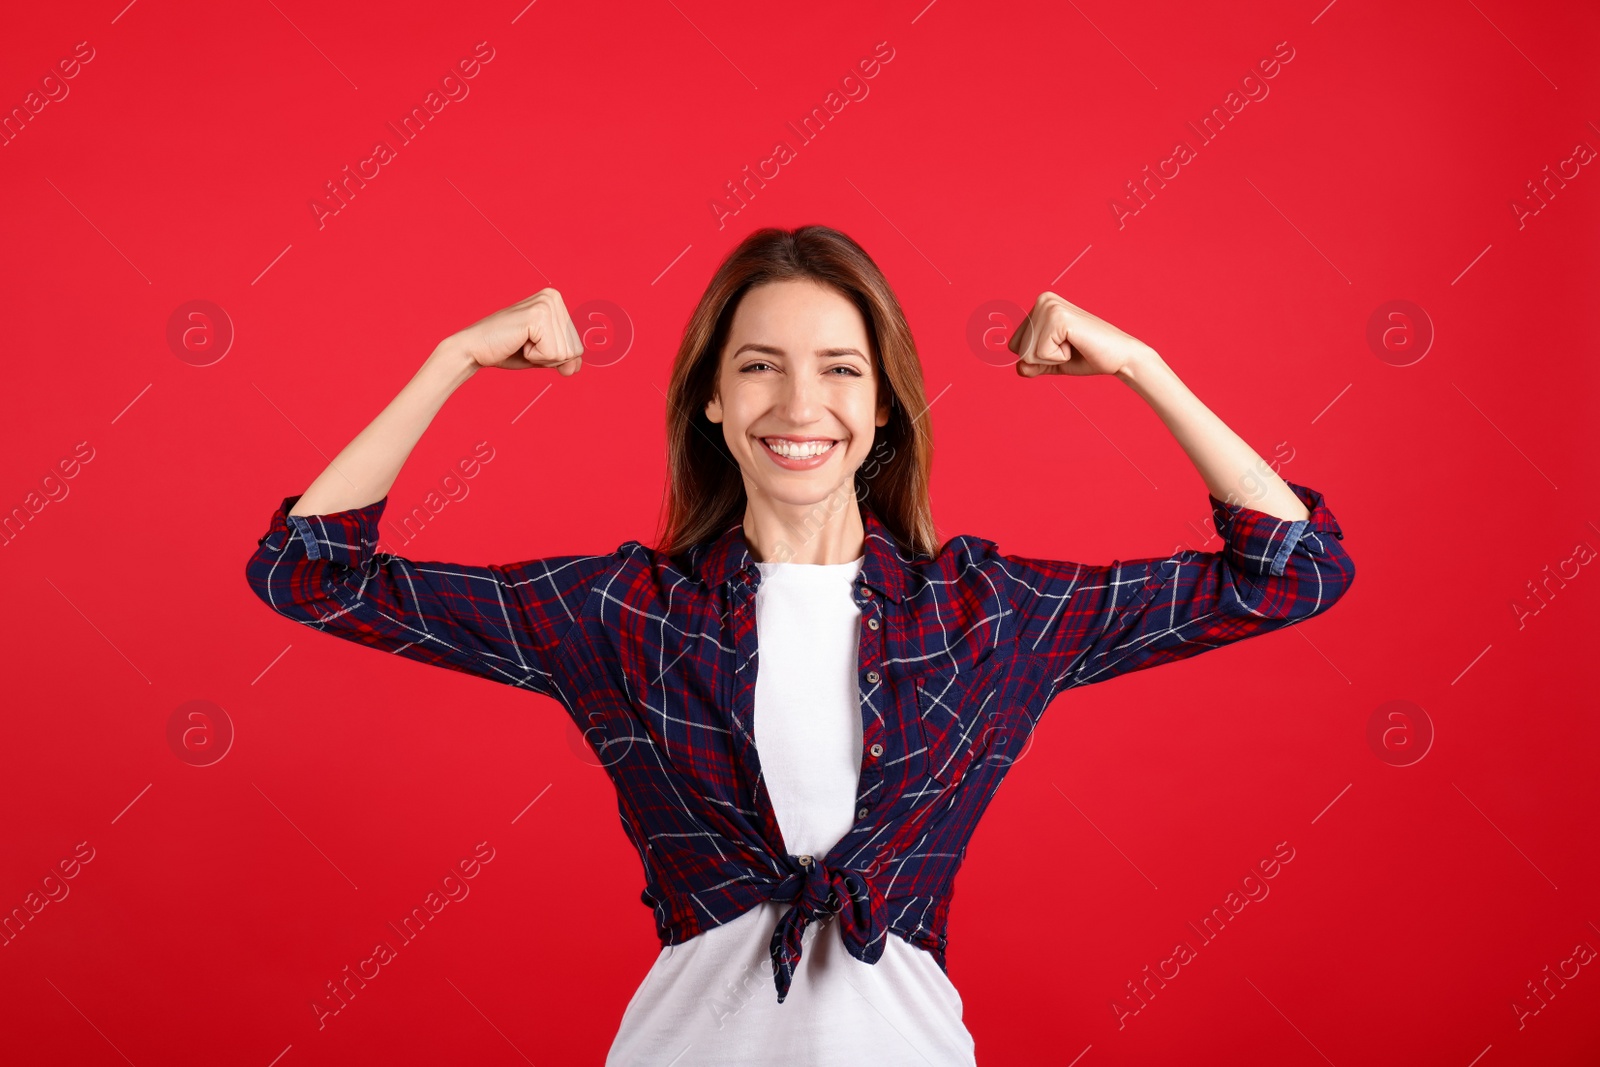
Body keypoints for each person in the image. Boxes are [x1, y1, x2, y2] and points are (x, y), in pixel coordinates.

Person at [245, 225, 1355, 1064]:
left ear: (881, 409)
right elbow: (310, 572)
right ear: (714, 403)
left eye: (839, 367)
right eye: (759, 364)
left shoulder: (984, 613)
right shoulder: (623, 613)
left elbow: (1291, 569)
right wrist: (453, 357)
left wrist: (1139, 363)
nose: (800, 400)